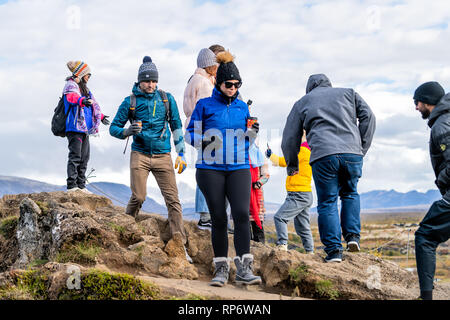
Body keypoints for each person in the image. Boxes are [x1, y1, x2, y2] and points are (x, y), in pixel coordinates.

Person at [185, 51, 261, 287]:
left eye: (237, 85)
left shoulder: (242, 107)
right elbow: (190, 134)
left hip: (239, 167)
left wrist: (253, 133)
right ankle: (220, 269)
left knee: (240, 214)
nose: (233, 88)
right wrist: (206, 141)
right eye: (229, 84)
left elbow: (248, 141)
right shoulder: (205, 105)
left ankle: (244, 269)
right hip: (210, 169)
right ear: (219, 82)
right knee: (218, 218)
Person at [281, 74, 376, 263]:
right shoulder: (349, 93)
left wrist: (292, 164)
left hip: (324, 156)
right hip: (352, 154)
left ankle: (333, 251)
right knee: (350, 193)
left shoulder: (303, 102)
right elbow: (369, 117)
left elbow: (290, 137)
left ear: (310, 88)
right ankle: (352, 238)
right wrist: (361, 147)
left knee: (327, 202)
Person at [109, 56, 191, 262]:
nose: (151, 85)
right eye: (147, 81)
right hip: (140, 154)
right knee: (139, 196)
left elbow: (176, 125)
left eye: (154, 81)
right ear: (139, 81)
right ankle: (125, 230)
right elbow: (113, 128)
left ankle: (179, 243)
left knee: (173, 200)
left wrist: (181, 152)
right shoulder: (130, 102)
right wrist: (127, 131)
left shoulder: (166, 98)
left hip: (163, 155)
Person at [413, 81, 450, 300]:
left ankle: (426, 297)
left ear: (427, 101)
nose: (416, 107)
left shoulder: (442, 124)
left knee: (425, 236)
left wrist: (443, 182)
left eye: (417, 102)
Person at [183, 48, 219, 229]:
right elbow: (208, 111)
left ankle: (206, 215)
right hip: (205, 132)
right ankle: (206, 216)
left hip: (194, 129)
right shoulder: (205, 84)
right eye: (216, 64)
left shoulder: (193, 80)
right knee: (208, 173)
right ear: (209, 65)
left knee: (204, 171)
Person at [63, 61, 110, 193]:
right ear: (82, 74)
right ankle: (72, 186)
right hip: (74, 128)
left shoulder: (85, 89)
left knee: (84, 157)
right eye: (88, 75)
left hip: (84, 129)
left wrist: (101, 116)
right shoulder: (71, 85)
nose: (89, 77)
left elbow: (92, 106)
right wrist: (81, 100)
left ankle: (81, 185)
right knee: (75, 156)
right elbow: (71, 98)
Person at [267, 131, 314, 253]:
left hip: (298, 194)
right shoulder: (308, 152)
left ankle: (282, 245)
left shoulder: (303, 152)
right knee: (302, 227)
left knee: (279, 217)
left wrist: (270, 155)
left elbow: (285, 161)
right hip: (304, 193)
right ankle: (310, 252)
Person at [249, 142, 269, 243]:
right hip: (241, 194)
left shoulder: (260, 156)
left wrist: (258, 183)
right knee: (244, 227)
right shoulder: (239, 155)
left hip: (257, 195)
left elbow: (266, 175)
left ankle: (261, 250)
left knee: (258, 227)